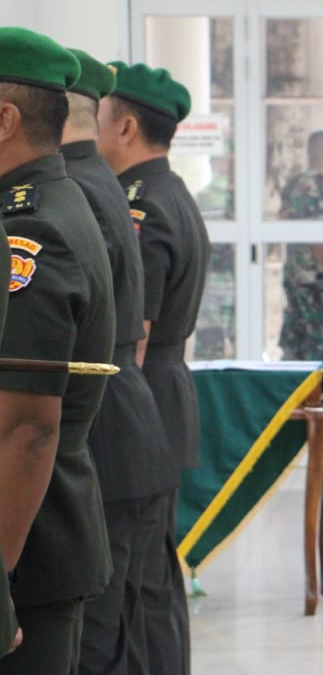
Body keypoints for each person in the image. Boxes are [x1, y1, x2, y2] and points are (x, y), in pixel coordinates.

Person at [0, 28, 113, 675]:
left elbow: (26, 428)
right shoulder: (43, 205)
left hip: (25, 550)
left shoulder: (33, 230)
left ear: (5, 119)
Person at [63, 51, 177, 675]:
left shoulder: (80, 190)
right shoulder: (111, 185)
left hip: (110, 427)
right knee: (136, 618)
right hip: (133, 420)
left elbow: (132, 332)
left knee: (104, 633)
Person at [99, 61, 211, 675]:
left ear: (127, 127)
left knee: (138, 586)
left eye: (100, 118)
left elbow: (134, 337)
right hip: (165, 397)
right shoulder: (172, 192)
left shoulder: (141, 208)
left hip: (144, 401)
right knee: (153, 577)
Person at [279, 130, 323, 362]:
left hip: (305, 280)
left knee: (300, 351)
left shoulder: (298, 184)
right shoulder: (313, 186)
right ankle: (318, 399)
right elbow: (320, 238)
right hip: (319, 286)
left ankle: (306, 398)